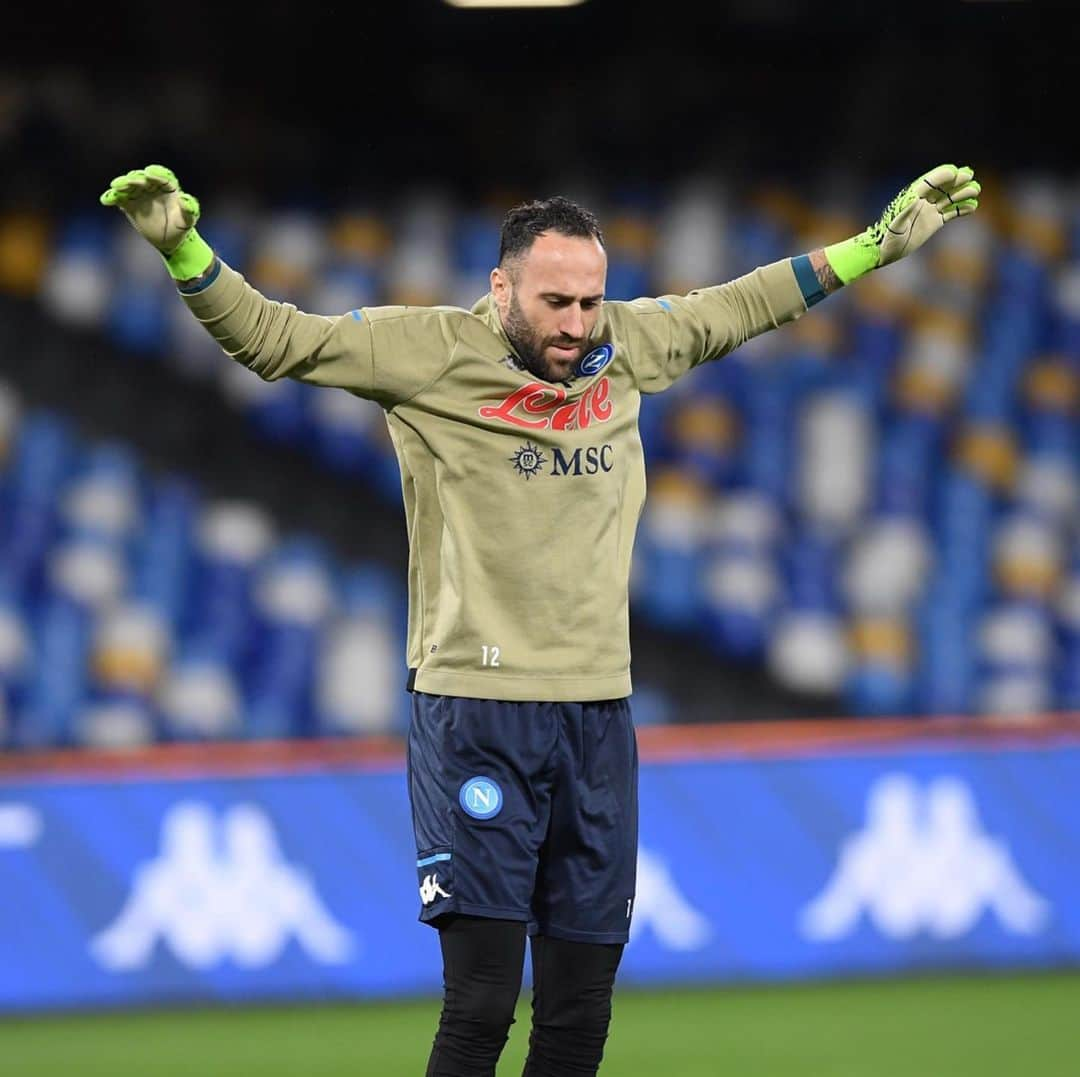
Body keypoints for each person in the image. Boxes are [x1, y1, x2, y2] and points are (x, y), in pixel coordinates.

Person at [101, 161, 980, 1075]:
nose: (575, 323)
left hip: (598, 718)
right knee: (481, 1005)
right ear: (501, 286)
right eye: (555, 301)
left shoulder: (630, 344)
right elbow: (275, 340)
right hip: (477, 714)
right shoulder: (429, 351)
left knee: (579, 1016)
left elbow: (750, 302)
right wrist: (183, 249)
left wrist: (874, 249)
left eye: (589, 301)